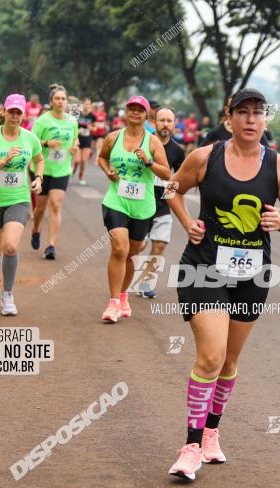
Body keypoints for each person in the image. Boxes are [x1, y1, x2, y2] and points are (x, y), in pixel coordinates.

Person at [165, 88, 280, 480]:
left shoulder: (277, 166)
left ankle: (212, 432)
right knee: (210, 357)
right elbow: (172, 190)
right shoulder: (205, 158)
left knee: (229, 362)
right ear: (229, 118)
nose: (250, 119)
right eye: (242, 112)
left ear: (265, 119)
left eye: (257, 113)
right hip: (204, 270)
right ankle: (191, 445)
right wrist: (186, 221)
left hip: (251, 277)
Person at [97, 96, 172, 323]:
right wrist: (108, 171)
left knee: (132, 253)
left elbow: (166, 174)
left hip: (143, 205)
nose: (135, 113)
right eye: (132, 109)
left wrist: (149, 162)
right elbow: (102, 157)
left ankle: (123, 295)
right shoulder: (113, 137)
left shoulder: (153, 143)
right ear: (126, 112)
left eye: (140, 110)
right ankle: (112, 303)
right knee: (120, 248)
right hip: (116, 200)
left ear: (146, 115)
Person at [0, 94, 44, 316]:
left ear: (23, 115)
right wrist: (3, 161)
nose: (14, 116)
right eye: (11, 112)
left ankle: (8, 295)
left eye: (18, 113)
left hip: (18, 200)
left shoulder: (30, 138)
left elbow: (39, 159)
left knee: (10, 246)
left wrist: (39, 178)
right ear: (4, 112)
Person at [134, 105, 186, 298]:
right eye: (162, 120)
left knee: (160, 245)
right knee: (138, 246)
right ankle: (125, 274)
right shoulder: (143, 143)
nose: (165, 124)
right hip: (140, 203)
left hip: (162, 206)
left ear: (174, 124)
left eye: (169, 121)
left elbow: (178, 178)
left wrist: (169, 194)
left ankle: (145, 282)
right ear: (153, 122)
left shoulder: (178, 151)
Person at [30, 85, 79, 260]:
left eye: (63, 99)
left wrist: (75, 147)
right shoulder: (43, 120)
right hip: (42, 169)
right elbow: (32, 141)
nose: (60, 101)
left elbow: (75, 139)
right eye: (57, 98)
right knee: (40, 207)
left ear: (66, 102)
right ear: (51, 102)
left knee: (56, 205)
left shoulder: (72, 121)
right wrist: (46, 144)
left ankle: (51, 246)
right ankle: (35, 229)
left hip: (62, 169)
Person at [73, 98, 93, 185]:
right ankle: (74, 169)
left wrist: (91, 128)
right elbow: (71, 126)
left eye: (89, 104)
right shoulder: (77, 114)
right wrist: (78, 130)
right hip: (78, 139)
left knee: (84, 161)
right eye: (85, 103)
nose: (87, 105)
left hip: (87, 139)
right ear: (82, 104)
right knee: (77, 160)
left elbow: (95, 127)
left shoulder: (92, 116)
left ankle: (80, 177)